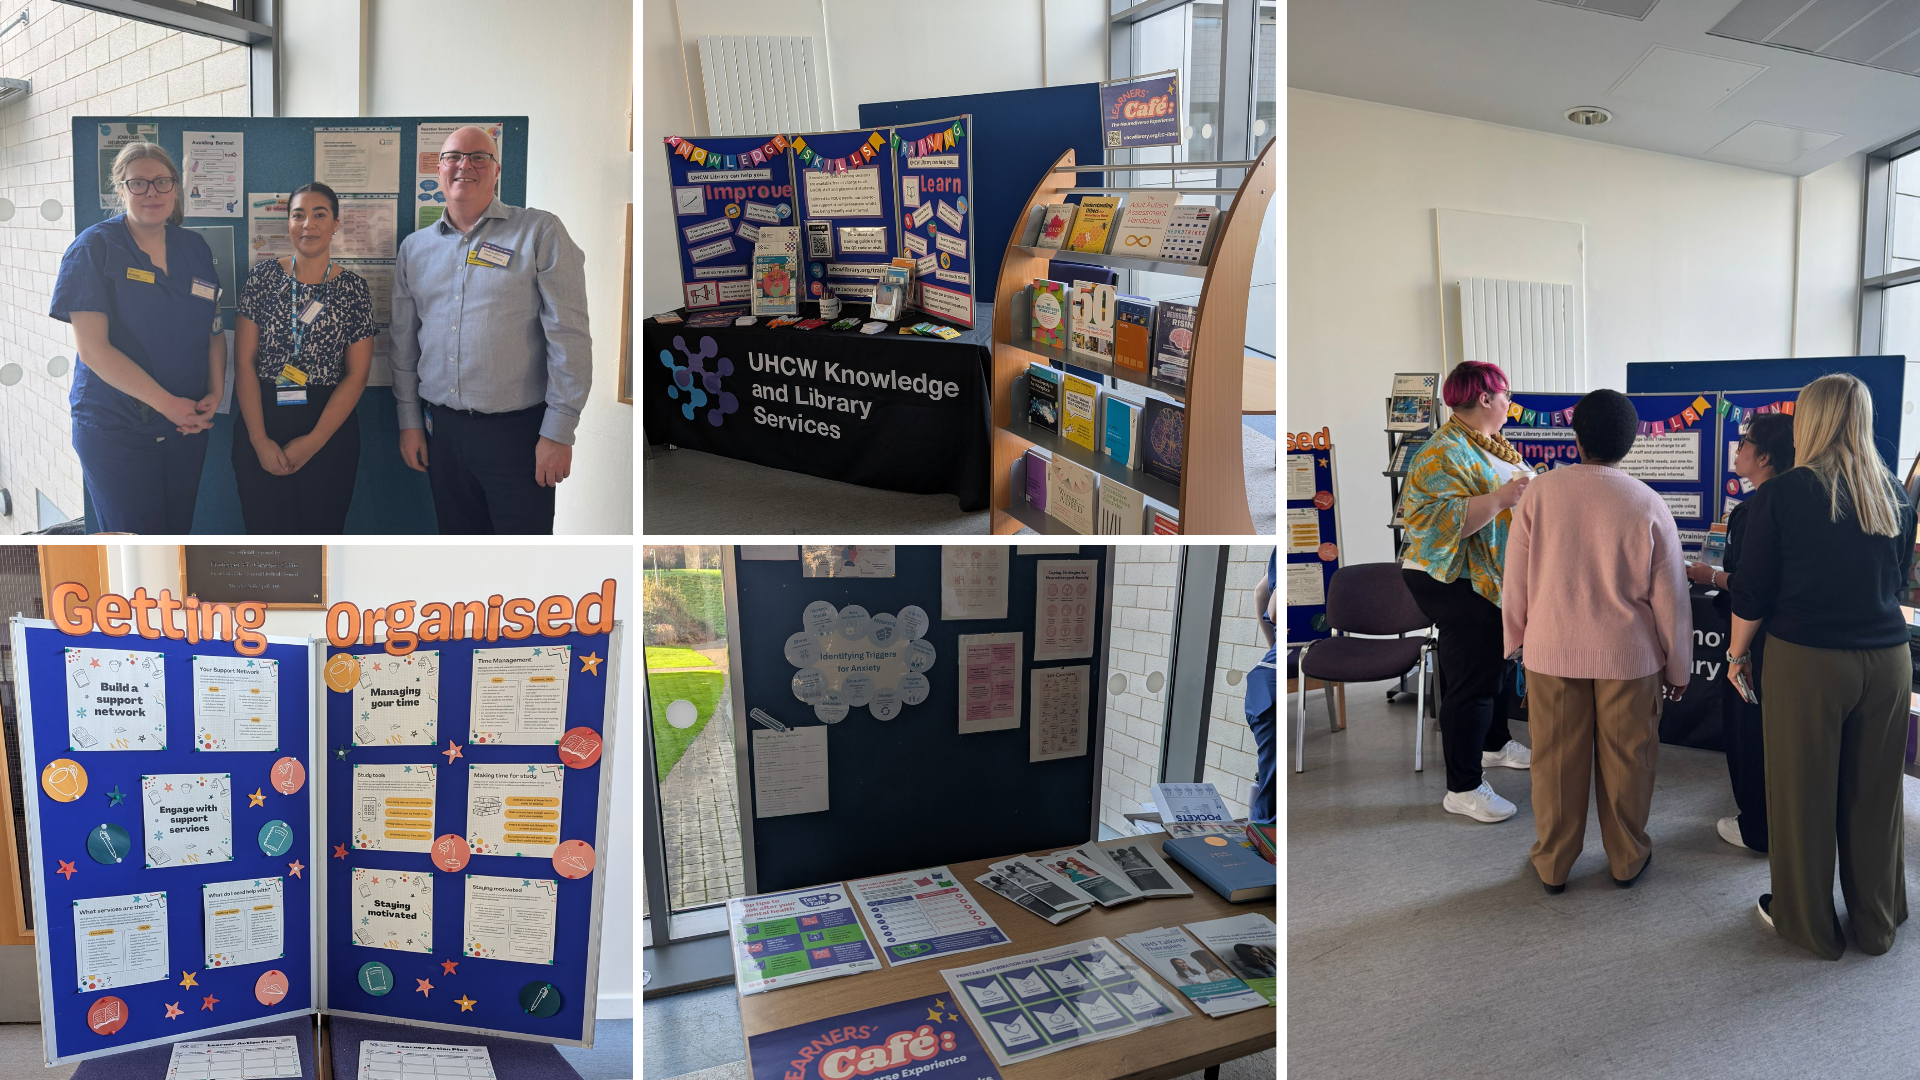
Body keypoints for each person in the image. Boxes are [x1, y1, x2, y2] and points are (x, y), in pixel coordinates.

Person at [1728, 374, 1916, 960]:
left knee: (1801, 794)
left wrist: (1736, 655)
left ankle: (1807, 923)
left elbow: (1752, 593)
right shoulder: (1894, 493)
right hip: (1888, 661)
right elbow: (1896, 581)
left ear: (1809, 421)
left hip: (1808, 660)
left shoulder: (1782, 495)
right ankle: (1877, 922)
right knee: (1876, 796)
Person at [1502, 389, 1691, 893]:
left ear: (1576, 436)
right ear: (1630, 443)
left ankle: (1553, 864)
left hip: (1552, 651)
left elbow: (1515, 579)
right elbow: (1671, 598)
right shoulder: (1648, 502)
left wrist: (1517, 641)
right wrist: (1678, 666)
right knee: (1630, 761)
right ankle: (1627, 859)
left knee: (1554, 762)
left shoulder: (1540, 493)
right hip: (1630, 657)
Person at [390, 125, 592, 534]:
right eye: (453, 157)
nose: (464, 165)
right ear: (438, 169)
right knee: (461, 552)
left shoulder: (540, 232)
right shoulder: (414, 248)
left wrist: (559, 432)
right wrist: (409, 420)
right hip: (441, 433)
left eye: (478, 157)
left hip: (518, 435)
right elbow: (403, 343)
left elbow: (569, 336)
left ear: (496, 170)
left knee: (522, 557)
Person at [49, 141, 223, 532]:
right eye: (138, 183)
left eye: (162, 182)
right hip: (116, 429)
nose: (152, 193)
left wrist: (215, 393)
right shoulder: (94, 248)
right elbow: (94, 350)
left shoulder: (194, 248)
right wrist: (168, 404)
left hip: (185, 425)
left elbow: (213, 330)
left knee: (177, 537)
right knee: (135, 544)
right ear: (121, 189)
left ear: (176, 188)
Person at [1401, 360, 1533, 823]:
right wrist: (1500, 499)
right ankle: (1463, 787)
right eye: (1506, 394)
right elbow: (1430, 523)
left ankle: (1494, 745)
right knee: (1472, 680)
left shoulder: (1487, 443)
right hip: (1450, 577)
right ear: (1485, 398)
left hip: (1488, 576)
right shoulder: (1442, 451)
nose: (1509, 403)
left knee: (1497, 665)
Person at [231, 183, 377, 533]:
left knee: (322, 536)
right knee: (266, 537)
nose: (308, 224)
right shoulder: (262, 278)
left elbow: (357, 375)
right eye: (298, 215)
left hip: (327, 427)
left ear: (335, 224)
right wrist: (259, 440)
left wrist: (314, 442)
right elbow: (244, 363)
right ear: (289, 223)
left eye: (319, 215)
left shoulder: (354, 290)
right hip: (263, 418)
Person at [1686, 412, 1795, 853]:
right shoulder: (1801, 503)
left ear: (1765, 456)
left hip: (1756, 640)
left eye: (1746, 442)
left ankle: (1756, 828)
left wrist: (1711, 577)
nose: (1738, 449)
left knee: (1748, 731)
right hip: (1794, 642)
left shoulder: (1757, 509)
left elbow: (1752, 586)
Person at [1245, 549, 1278, 824]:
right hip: (1271, 692)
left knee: (1268, 786)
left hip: (1263, 679)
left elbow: (1260, 593)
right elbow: (1275, 610)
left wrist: (1273, 648)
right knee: (1270, 804)